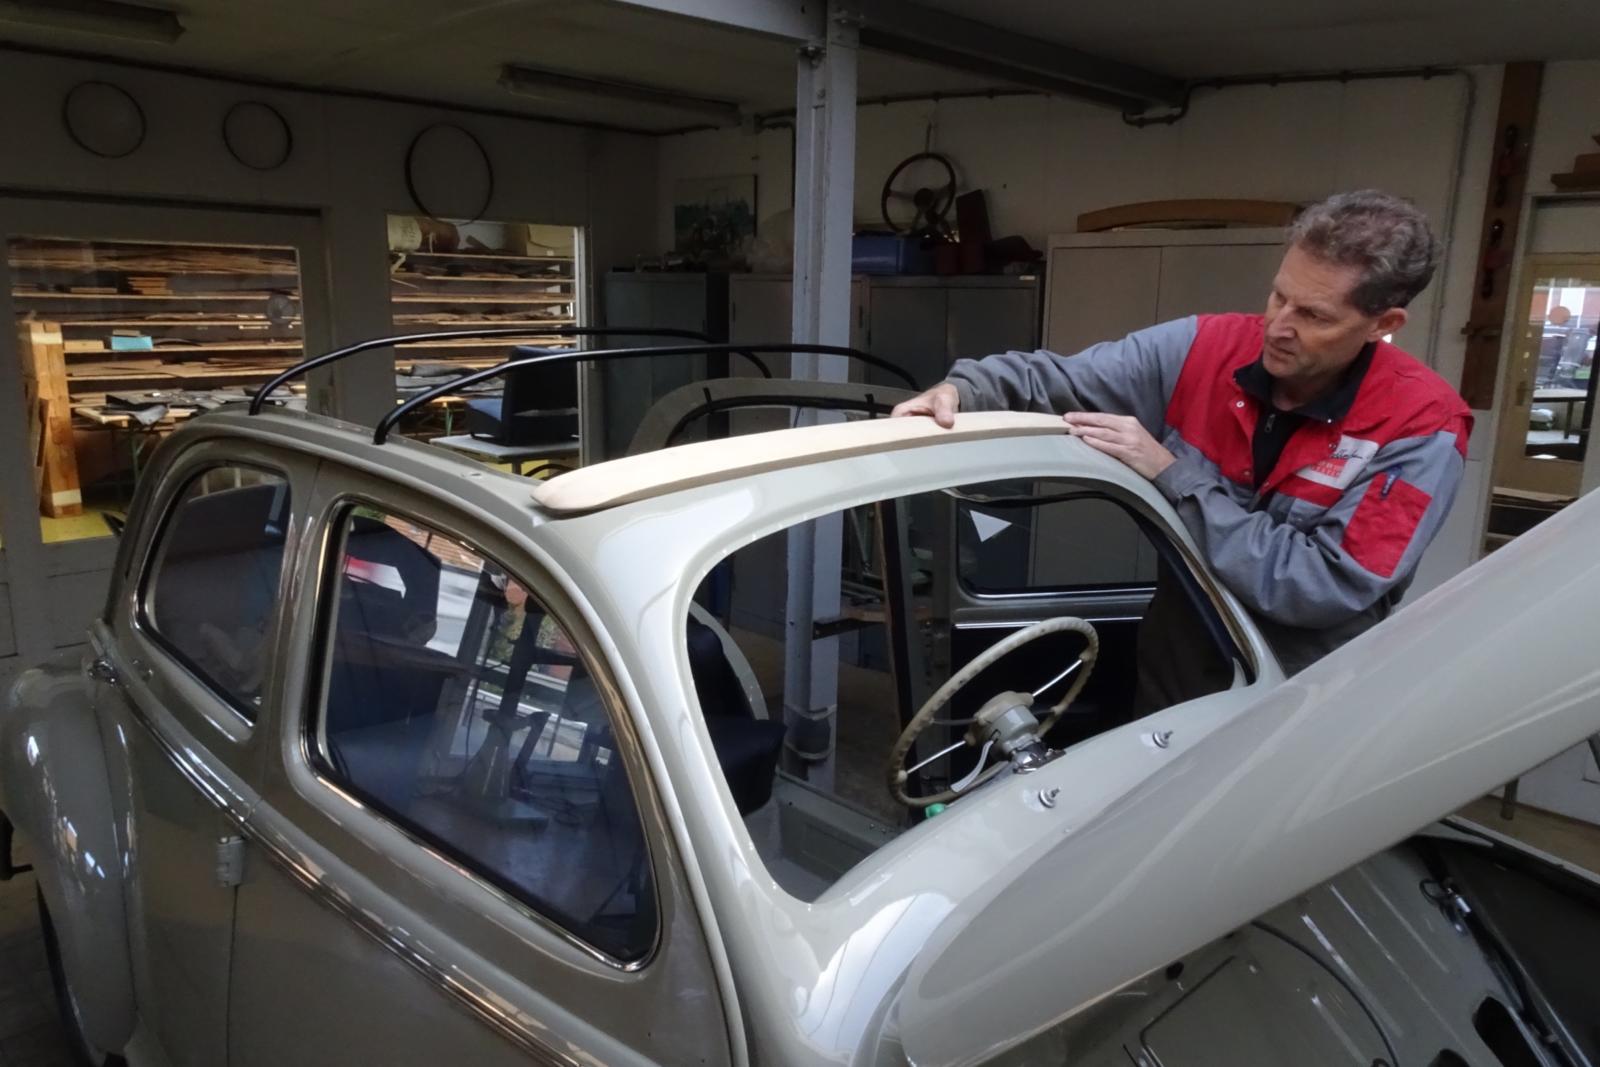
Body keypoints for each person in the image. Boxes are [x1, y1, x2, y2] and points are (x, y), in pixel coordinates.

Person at [892, 189, 1472, 703]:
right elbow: (1062, 379)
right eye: (1278, 297)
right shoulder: (1206, 347)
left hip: (1297, 698)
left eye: (1314, 316)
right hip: (1176, 673)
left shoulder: (1422, 425)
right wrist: (965, 389)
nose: (1278, 327)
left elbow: (1318, 586)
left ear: (1382, 324)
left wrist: (1173, 475)